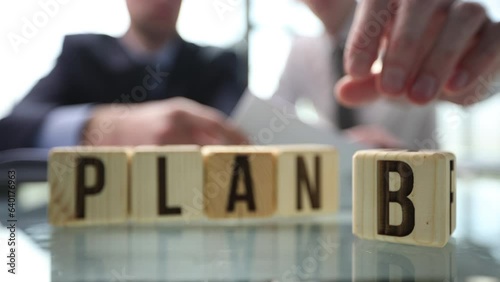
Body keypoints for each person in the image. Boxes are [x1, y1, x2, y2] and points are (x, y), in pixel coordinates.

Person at [0, 0, 247, 151]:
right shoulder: (81, 56)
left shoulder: (218, 65)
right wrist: (97, 128)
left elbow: (240, 135)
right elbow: (13, 128)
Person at [273, 0, 500, 149]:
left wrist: (486, 67)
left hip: (417, 192)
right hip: (344, 194)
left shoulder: (408, 24)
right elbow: (273, 124)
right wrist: (339, 145)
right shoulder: (300, 52)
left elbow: (485, 88)